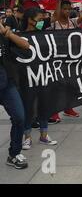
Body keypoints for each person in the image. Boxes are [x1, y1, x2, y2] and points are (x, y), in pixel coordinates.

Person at [48, 0, 82, 123]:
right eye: (65, 9)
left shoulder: (73, 22)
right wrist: (58, 3)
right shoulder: (54, 23)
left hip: (71, 59)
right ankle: (54, 112)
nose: (67, 11)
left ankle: (68, 108)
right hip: (57, 60)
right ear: (60, 9)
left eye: (69, 9)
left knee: (71, 85)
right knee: (57, 87)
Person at [19, 8, 58, 150]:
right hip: (27, 78)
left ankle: (44, 135)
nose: (42, 22)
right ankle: (27, 138)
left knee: (44, 106)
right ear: (30, 20)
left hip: (43, 76)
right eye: (40, 19)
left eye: (43, 20)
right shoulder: (20, 36)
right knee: (28, 108)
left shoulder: (44, 35)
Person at [0, 21, 30, 169]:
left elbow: (26, 46)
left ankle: (14, 154)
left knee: (19, 117)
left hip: (6, 82)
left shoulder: (4, 33)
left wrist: (7, 33)